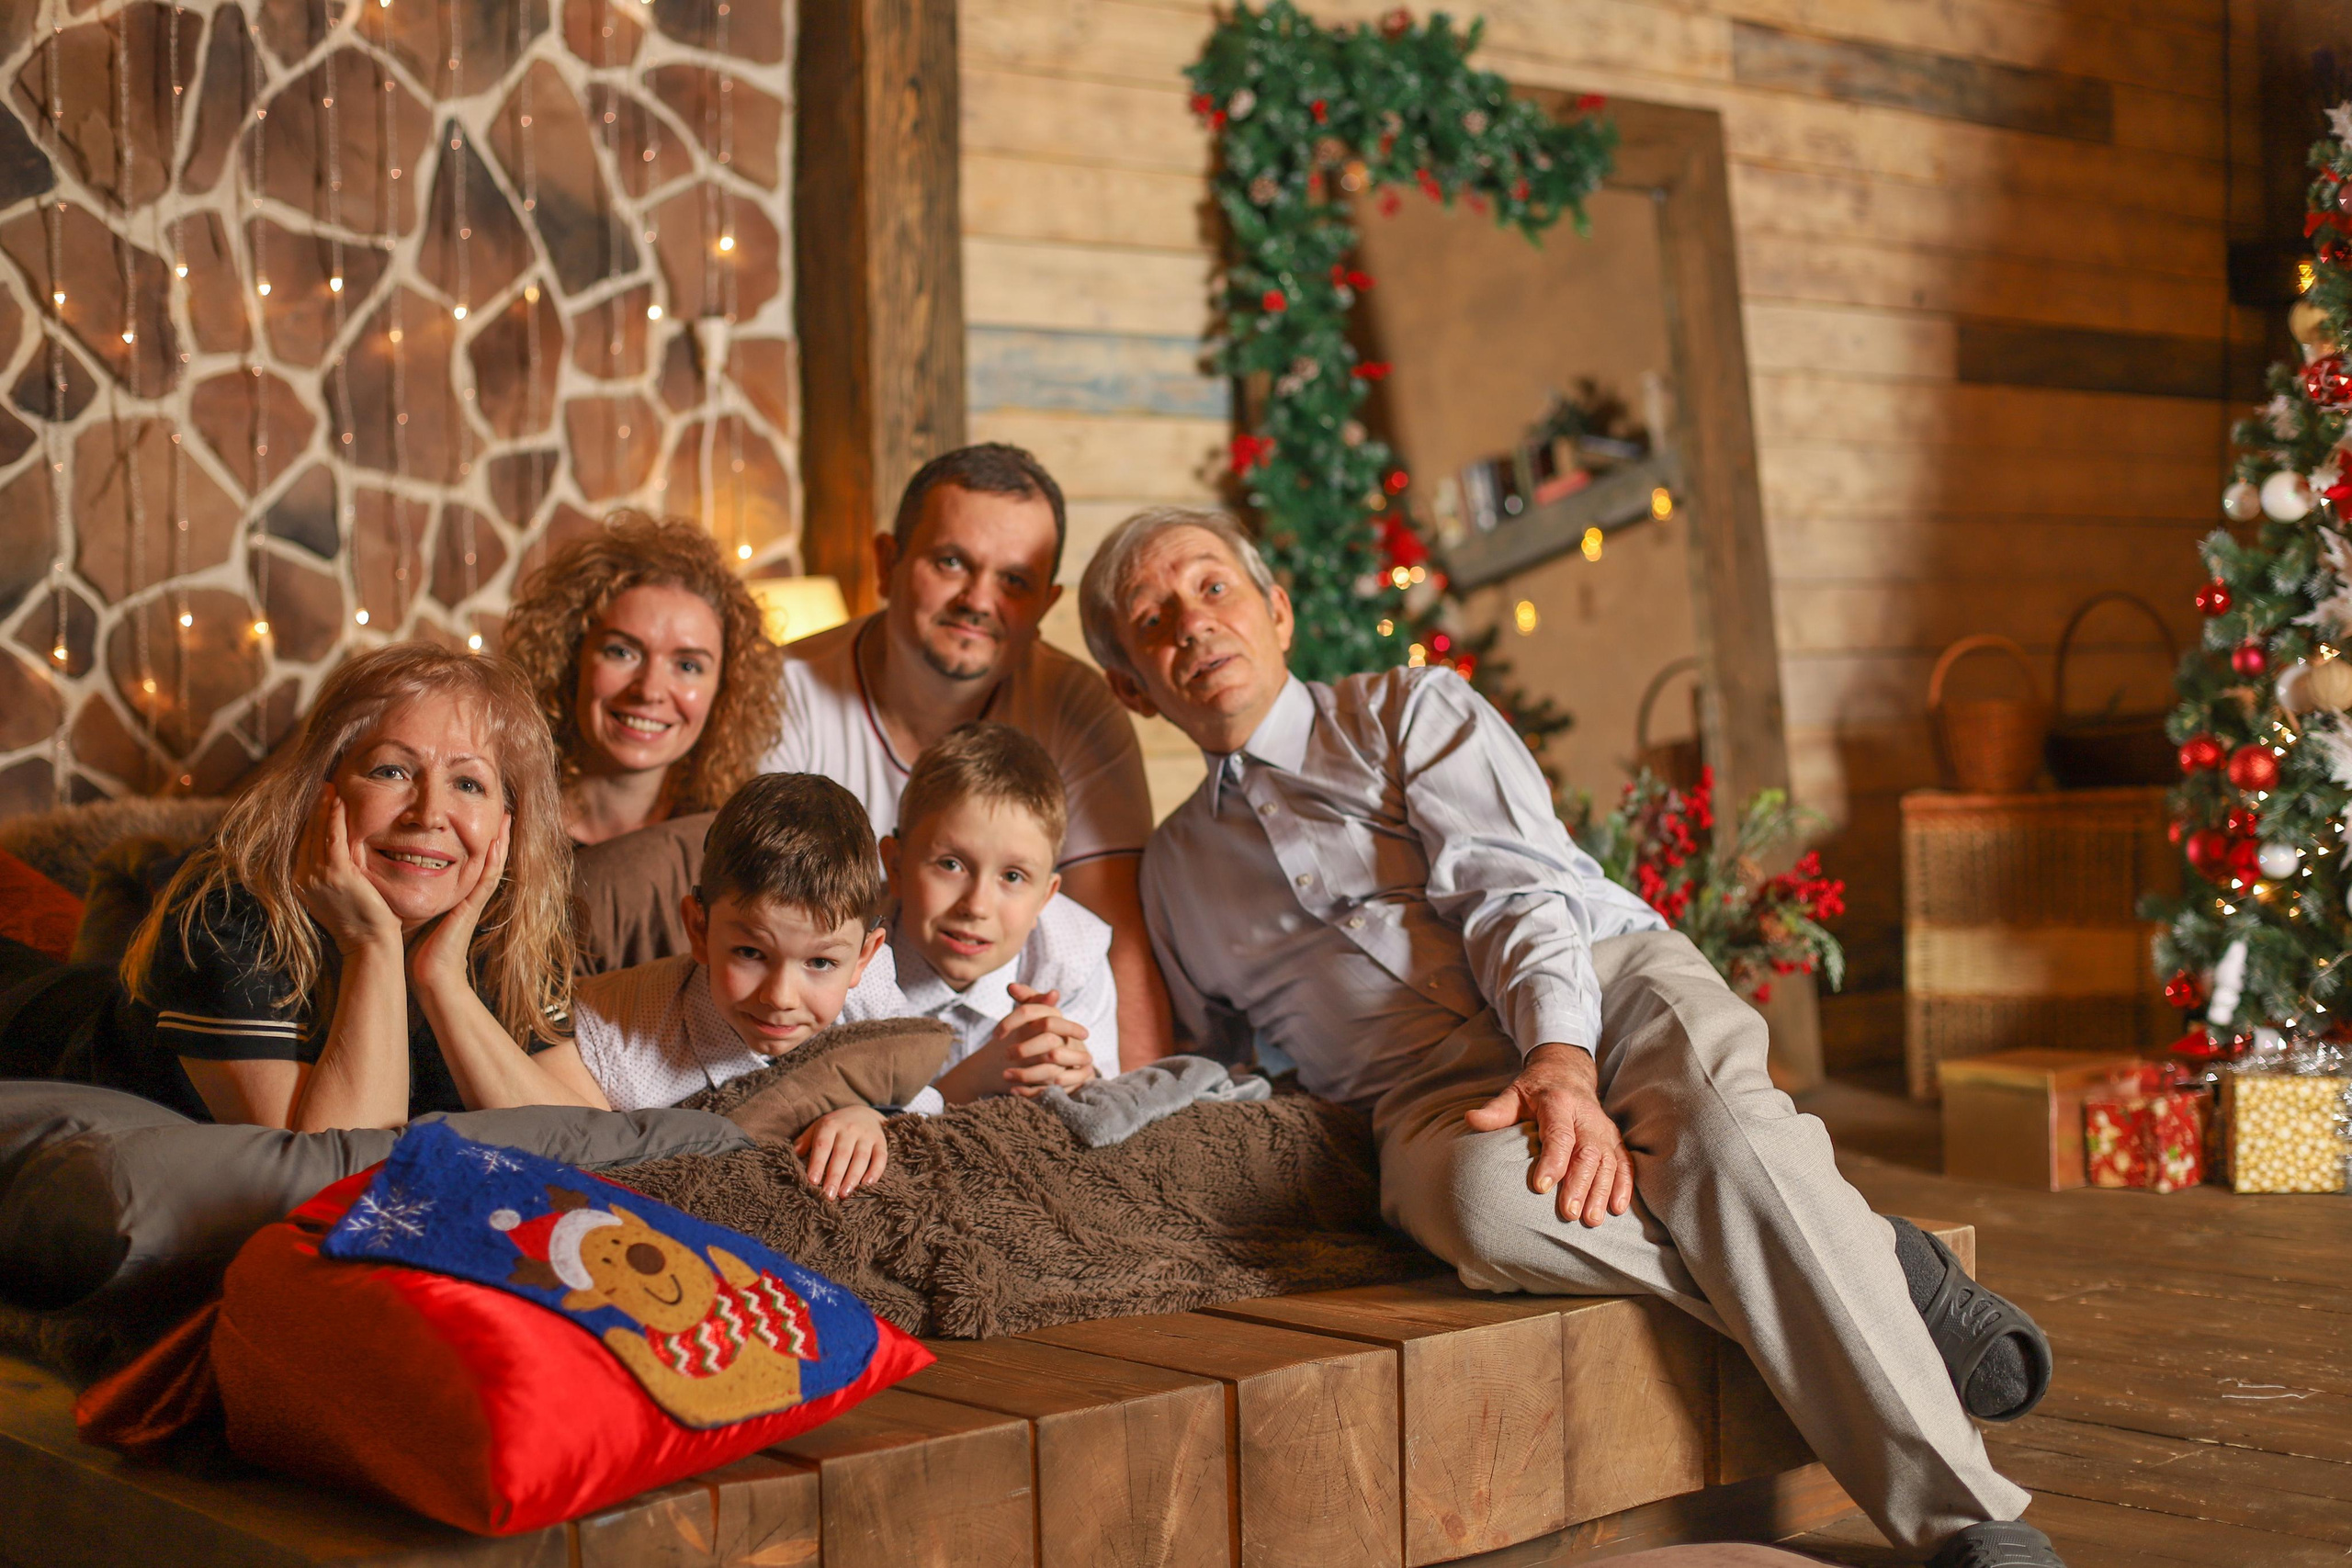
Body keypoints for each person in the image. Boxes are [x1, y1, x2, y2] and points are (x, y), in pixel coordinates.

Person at [1078, 506, 2064, 1568]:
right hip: (1429, 1097)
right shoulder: (1174, 874)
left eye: (1212, 587)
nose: (1193, 624)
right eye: (1153, 619)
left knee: (1730, 1150)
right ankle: (1883, 1269)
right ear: (1132, 686)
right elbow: (1228, 1056)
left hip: (1601, 980)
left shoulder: (1410, 709)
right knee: (1486, 1209)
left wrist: (1559, 1056)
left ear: (1275, 611)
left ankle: (1970, 1525)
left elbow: (1515, 891)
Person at [758, 443, 1173, 1070]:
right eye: (951, 561)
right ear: (887, 562)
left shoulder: (1078, 707)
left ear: (1045, 606)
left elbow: (1119, 943)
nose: (978, 599)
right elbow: (758, 936)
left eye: (1014, 581)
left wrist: (1131, 1106)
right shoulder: (782, 691)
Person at [100, 643, 609, 1130]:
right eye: (391, 771)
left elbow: (593, 1137)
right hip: (69, 1048)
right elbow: (342, 1161)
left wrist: (443, 979)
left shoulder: (510, 919)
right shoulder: (225, 917)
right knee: (131, 879)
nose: (429, 813)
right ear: (321, 790)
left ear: (507, 820)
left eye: (468, 783)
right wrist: (371, 943)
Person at [571, 773, 904, 1199]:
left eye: (821, 962)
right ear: (699, 929)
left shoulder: (872, 996)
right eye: (750, 953)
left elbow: (922, 1091)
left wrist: (873, 1116)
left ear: (863, 957)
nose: (780, 997)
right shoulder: (616, 1044)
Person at [840, 722, 1115, 1112]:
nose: (976, 906)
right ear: (896, 867)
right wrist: (970, 1081)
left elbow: (1108, 1103)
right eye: (951, 864)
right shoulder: (845, 954)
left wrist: (1078, 1076)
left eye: (1013, 877)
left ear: (1045, 898)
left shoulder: (1073, 961)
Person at [503, 511, 785, 848]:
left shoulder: (733, 843)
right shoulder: (500, 821)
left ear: (724, 689)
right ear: (570, 658)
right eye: (622, 652)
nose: (649, 690)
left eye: (688, 666)